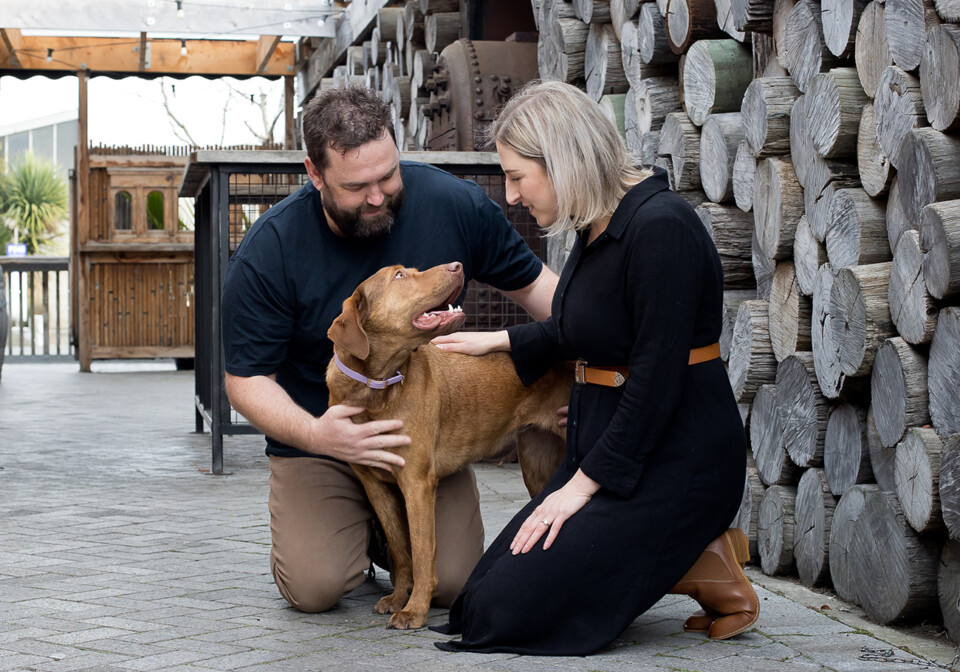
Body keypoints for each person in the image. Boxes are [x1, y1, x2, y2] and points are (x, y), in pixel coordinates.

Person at [430, 81, 757, 655]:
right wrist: (492, 342)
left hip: (681, 462)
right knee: (475, 601)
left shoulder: (662, 230)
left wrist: (575, 490)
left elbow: (656, 381)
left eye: (516, 176)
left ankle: (698, 559)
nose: (510, 196)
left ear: (560, 160)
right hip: (615, 444)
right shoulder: (596, 226)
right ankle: (691, 559)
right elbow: (580, 328)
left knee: (507, 610)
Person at [220, 84, 559, 614]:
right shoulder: (270, 251)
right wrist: (316, 433)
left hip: (420, 427)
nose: (378, 197)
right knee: (316, 588)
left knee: (451, 585)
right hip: (321, 439)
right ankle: (357, 530)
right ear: (315, 174)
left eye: (388, 176)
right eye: (357, 186)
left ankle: (390, 539)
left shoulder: (454, 203)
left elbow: (549, 297)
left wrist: (604, 356)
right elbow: (244, 380)